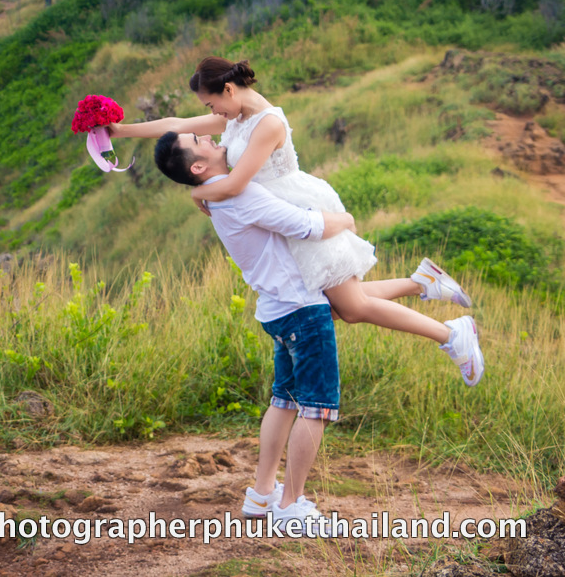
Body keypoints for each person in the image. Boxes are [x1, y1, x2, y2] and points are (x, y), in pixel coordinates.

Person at [152, 130, 480, 534]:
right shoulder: (236, 194)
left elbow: (216, 124)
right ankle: (291, 508)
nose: (209, 135)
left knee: (285, 400)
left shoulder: (219, 194)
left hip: (276, 309)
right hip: (301, 311)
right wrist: (345, 219)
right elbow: (305, 226)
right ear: (198, 166)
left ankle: (261, 495)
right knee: (316, 407)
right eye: (198, 140)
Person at [108, 57, 482, 386]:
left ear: (228, 89)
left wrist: (198, 192)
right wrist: (120, 131)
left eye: (212, 103)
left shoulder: (267, 123)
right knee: (339, 306)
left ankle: (451, 334)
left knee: (349, 308)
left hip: (297, 209)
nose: (212, 113)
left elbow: (237, 184)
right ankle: (422, 283)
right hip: (276, 213)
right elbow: (175, 124)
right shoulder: (234, 116)